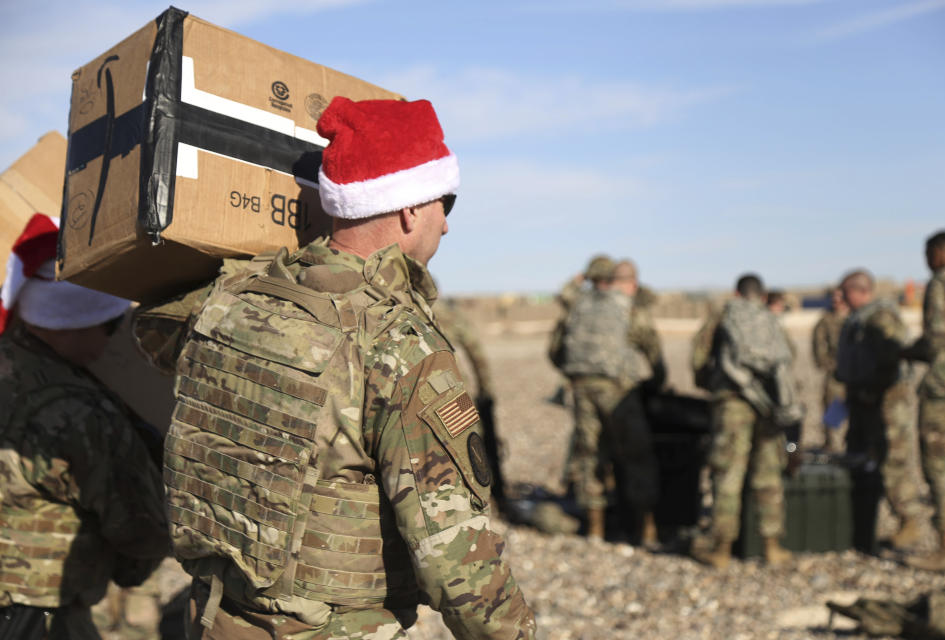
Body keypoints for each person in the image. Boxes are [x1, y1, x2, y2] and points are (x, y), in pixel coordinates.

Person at [150, 98, 535, 639]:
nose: (446, 226)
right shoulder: (398, 346)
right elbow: (459, 565)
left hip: (215, 619)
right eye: (444, 204)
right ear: (409, 210)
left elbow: (154, 338)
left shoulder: (229, 297)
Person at [0, 214, 169, 639]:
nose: (113, 341)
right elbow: (142, 534)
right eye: (111, 324)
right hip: (38, 616)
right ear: (70, 323)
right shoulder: (80, 412)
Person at [691, 274, 801, 569]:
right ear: (763, 296)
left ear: (736, 293)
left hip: (732, 402)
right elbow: (789, 355)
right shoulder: (769, 318)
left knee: (727, 474)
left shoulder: (723, 315)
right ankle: (772, 547)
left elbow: (699, 356)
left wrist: (710, 384)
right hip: (767, 403)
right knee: (768, 474)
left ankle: (722, 550)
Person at [560, 258, 665, 542]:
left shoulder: (581, 304)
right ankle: (647, 529)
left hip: (582, 388)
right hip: (617, 390)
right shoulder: (629, 308)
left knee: (591, 456)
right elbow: (653, 350)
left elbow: (559, 347)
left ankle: (596, 528)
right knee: (637, 455)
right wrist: (656, 384)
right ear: (631, 284)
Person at [835, 269, 925, 550]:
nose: (839, 297)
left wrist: (873, 391)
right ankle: (860, 520)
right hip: (863, 399)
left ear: (860, 291)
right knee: (859, 456)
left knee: (892, 460)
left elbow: (892, 357)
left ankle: (909, 521)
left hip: (886, 401)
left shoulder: (880, 317)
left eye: (845, 291)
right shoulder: (857, 320)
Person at [902, 230, 945, 571]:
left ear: (939, 253)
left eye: (927, 255)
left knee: (941, 469)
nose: (926, 263)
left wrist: (905, 351)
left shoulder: (941, 284)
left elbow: (936, 341)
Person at [432, 297, 506, 510]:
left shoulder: (400, 306)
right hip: (452, 387)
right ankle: (482, 500)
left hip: (414, 392)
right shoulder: (447, 311)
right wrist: (485, 390)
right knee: (472, 444)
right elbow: (476, 353)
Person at [812, 287, 849, 452]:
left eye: (840, 297)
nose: (836, 301)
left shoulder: (858, 317)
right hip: (837, 375)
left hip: (861, 375)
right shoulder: (825, 321)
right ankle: (832, 446)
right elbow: (819, 352)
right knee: (833, 410)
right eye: (833, 297)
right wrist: (834, 366)